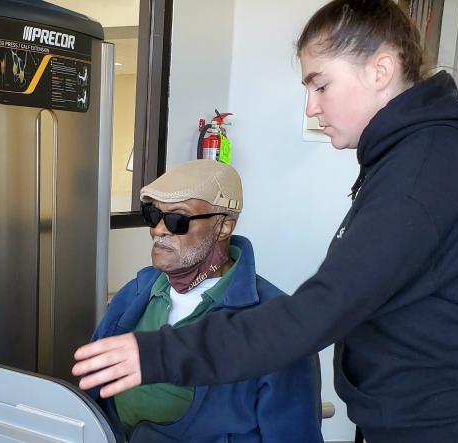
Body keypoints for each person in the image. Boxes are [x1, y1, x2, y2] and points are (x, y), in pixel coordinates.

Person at [73, 0, 458, 441]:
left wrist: (159, 351)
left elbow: (319, 311)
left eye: (321, 85)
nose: (312, 107)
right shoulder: (406, 162)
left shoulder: (421, 173)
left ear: (380, 70)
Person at [90, 159, 323, 442]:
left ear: (223, 227)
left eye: (178, 219)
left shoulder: (275, 323)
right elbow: (92, 386)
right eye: (153, 215)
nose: (158, 230)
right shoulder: (136, 293)